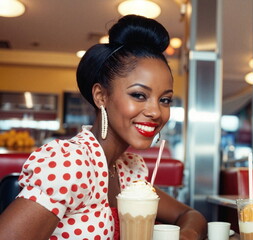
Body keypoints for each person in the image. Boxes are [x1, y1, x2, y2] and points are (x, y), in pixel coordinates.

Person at [0, 15, 207, 240]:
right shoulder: (69, 163)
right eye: (139, 95)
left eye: (165, 100)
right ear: (101, 96)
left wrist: (185, 236)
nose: (156, 112)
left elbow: (190, 214)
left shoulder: (128, 170)